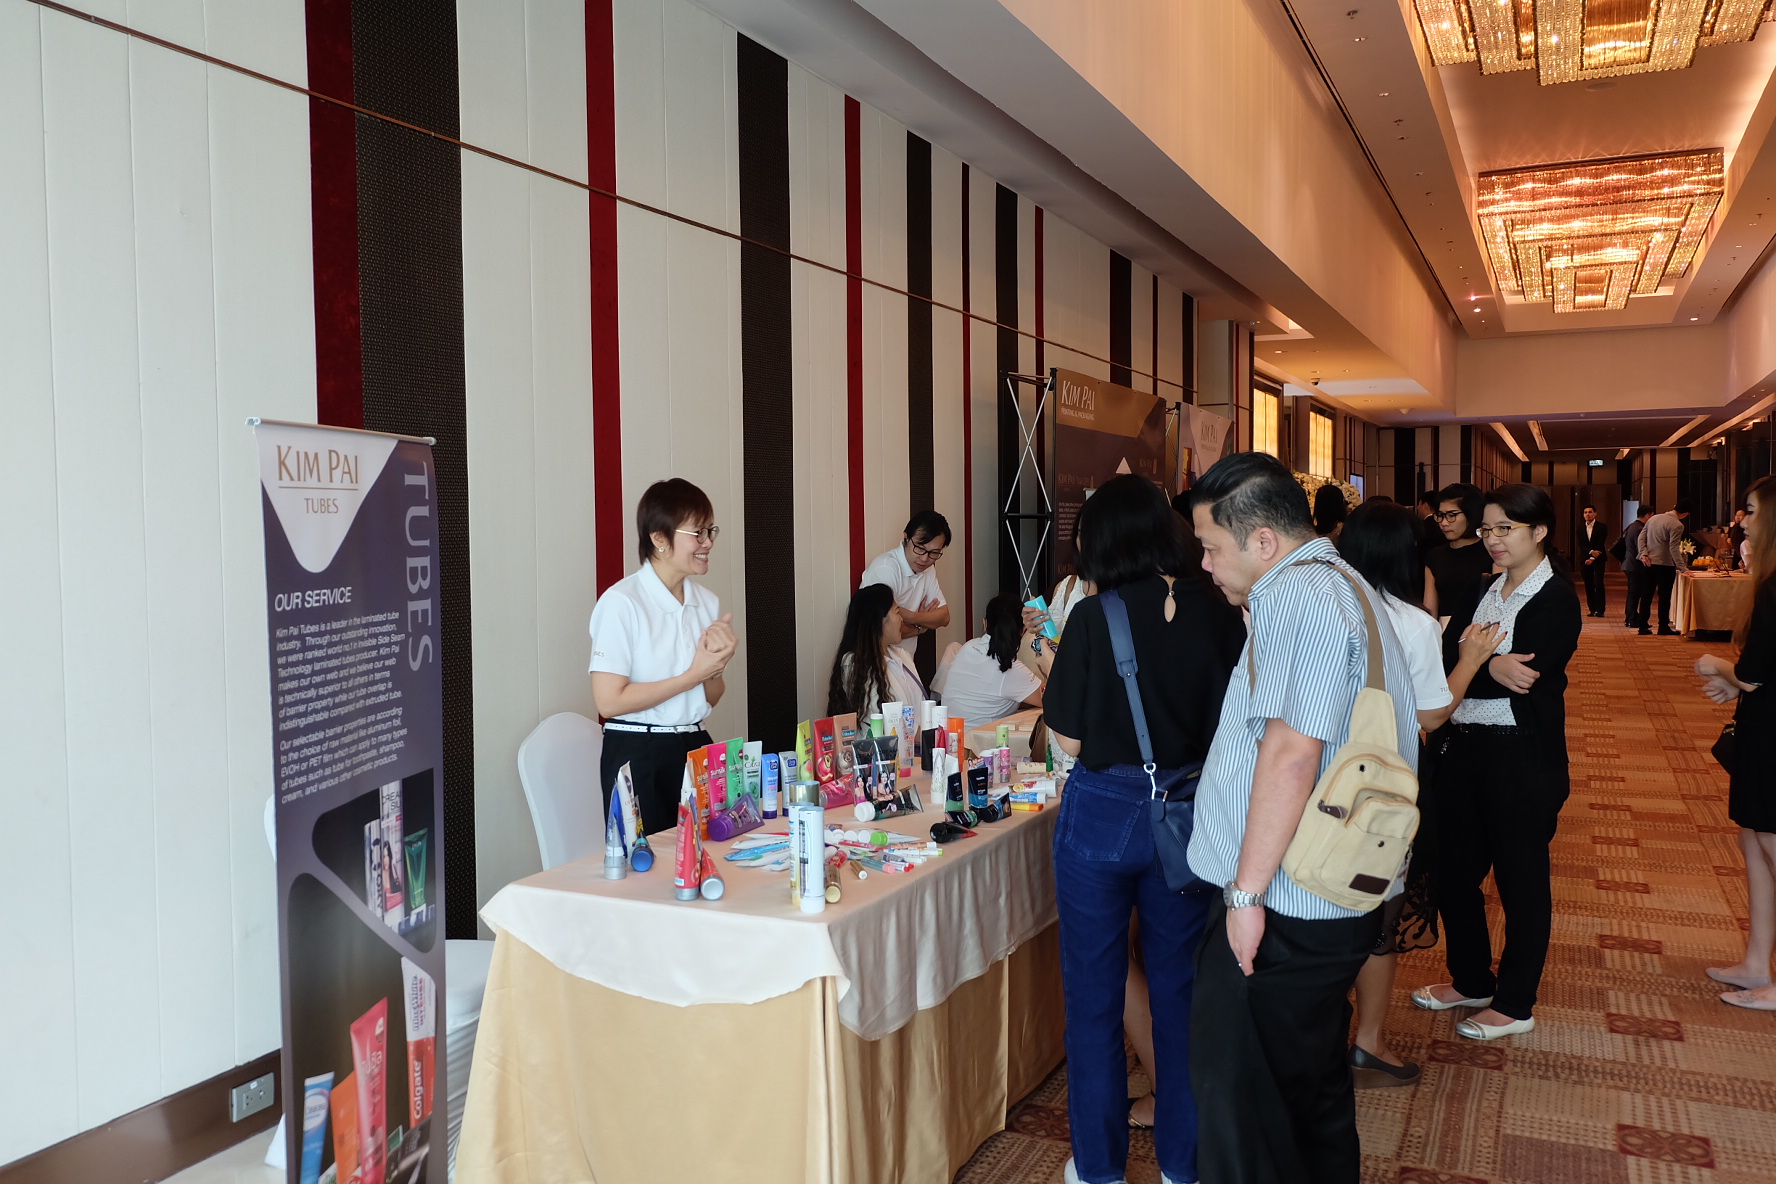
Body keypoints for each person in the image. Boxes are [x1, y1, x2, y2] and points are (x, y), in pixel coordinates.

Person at [1186, 451, 1418, 1184]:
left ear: (1263, 541)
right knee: (1305, 1084)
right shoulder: (1338, 581)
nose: (1203, 564)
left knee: (1242, 1098)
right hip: (1319, 891)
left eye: (1210, 546)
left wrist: (1245, 896)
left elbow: (1292, 754)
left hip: (1289, 898)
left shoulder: (1299, 595)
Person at [1044, 474, 1246, 1184]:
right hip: (1186, 813)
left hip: (1101, 814)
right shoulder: (1220, 609)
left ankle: (1099, 1169)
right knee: (1179, 995)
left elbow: (1068, 740)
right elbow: (1232, 726)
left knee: (1093, 1001)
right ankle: (1180, 1168)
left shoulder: (1093, 617)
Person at [1335, 502, 1503, 1088]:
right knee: (1377, 919)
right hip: (1382, 792)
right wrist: (1471, 660)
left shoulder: (1318, 610)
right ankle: (1368, 1043)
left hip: (1317, 784)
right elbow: (1431, 715)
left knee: (1318, 905)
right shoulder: (1410, 622)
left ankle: (1318, 1032)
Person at [1415, 485, 1581, 1040]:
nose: (1493, 539)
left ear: (1540, 531)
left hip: (1519, 756)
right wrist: (1487, 664)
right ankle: (1471, 979)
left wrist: (1476, 662)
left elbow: (1527, 675)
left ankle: (1514, 1003)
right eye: (1487, 529)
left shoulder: (1555, 597)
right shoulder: (1481, 587)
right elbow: (1445, 657)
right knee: (1453, 872)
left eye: (1505, 528)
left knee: (1520, 880)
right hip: (1461, 747)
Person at [589, 479, 737, 834]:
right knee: (648, 863)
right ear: (659, 538)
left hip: (694, 744)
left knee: (707, 852)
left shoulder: (707, 602)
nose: (708, 543)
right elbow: (609, 701)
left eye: (711, 531)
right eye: (698, 533)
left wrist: (715, 667)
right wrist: (693, 675)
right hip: (638, 750)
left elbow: (711, 697)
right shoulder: (622, 602)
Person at [1694, 475, 1776, 1011]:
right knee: (1753, 840)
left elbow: (1754, 672)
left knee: (1770, 841)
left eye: (1750, 510)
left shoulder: (1774, 586)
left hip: (1771, 734)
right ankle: (1756, 961)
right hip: (1760, 726)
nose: (1742, 521)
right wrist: (1739, 681)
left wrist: (1715, 666)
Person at [930, 593, 1044, 729]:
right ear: (1023, 630)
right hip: (977, 740)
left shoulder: (968, 647)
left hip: (948, 735)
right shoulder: (1009, 667)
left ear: (985, 623)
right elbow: (1051, 699)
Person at [859, 510, 951, 657]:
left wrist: (912, 617)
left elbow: (944, 617)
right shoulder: (886, 569)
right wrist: (921, 627)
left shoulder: (928, 569)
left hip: (904, 661)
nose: (924, 559)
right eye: (920, 548)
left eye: (934, 553)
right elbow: (881, 630)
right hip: (876, 661)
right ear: (906, 538)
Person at [826, 584, 924, 719]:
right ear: (881, 621)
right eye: (897, 612)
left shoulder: (902, 655)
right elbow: (874, 716)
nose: (901, 619)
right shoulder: (855, 663)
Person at [1423, 483, 1494, 669]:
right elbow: (1430, 609)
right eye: (1440, 515)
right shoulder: (1435, 556)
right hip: (1445, 638)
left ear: (1471, 514)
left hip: (1483, 637)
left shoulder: (1492, 552)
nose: (1444, 522)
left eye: (1452, 515)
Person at [1638, 497, 1692, 635]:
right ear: (1686, 514)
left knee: (1646, 595)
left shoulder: (1653, 518)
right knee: (1664, 597)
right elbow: (1673, 548)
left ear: (1674, 506)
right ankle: (1663, 627)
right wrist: (1683, 567)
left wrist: (1644, 554)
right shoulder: (1677, 525)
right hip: (1665, 564)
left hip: (1649, 563)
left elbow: (1641, 538)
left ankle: (1642, 626)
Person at [1623, 504, 1652, 628]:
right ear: (1647, 515)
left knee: (1633, 593)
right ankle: (1632, 619)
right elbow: (1640, 548)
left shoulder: (1632, 526)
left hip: (1629, 563)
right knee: (1635, 594)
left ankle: (1630, 617)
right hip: (1636, 565)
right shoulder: (1640, 529)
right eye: (1652, 515)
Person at [1580, 505, 1610, 618]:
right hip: (1585, 559)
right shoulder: (1580, 528)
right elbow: (1581, 544)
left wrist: (1593, 557)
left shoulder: (1602, 527)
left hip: (1599, 559)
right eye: (1585, 512)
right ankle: (1592, 609)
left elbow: (1600, 543)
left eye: (1590, 512)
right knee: (1588, 584)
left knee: (1598, 583)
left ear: (1595, 513)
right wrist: (1591, 552)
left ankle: (1600, 609)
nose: (1587, 514)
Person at [1728, 507, 1749, 572]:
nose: (1738, 517)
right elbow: (1729, 542)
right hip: (1737, 552)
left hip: (1745, 552)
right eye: (1737, 515)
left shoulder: (1747, 528)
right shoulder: (1733, 528)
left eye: (1741, 515)